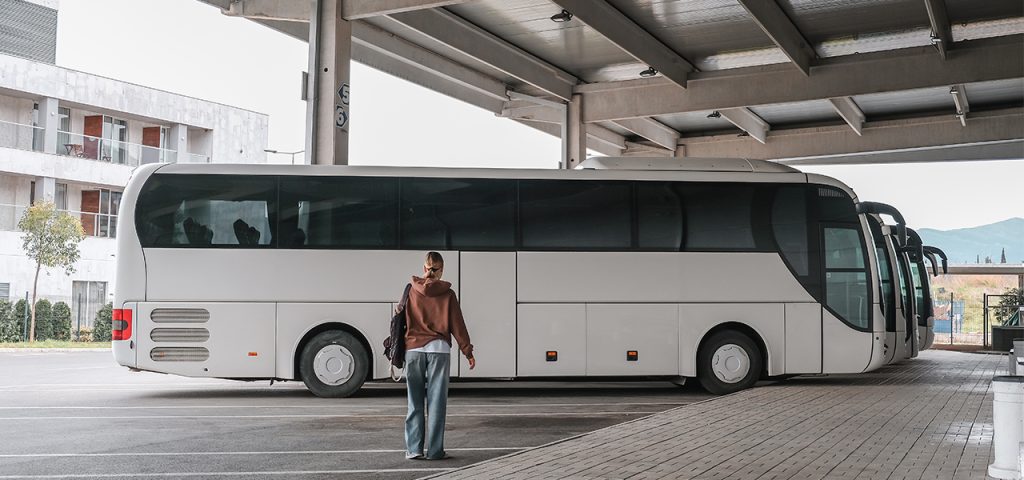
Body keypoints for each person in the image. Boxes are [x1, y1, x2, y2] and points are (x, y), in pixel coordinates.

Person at [403, 251, 475, 460]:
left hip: (413, 351)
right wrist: (467, 351)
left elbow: (401, 321)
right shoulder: (448, 294)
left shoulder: (411, 290)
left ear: (424, 268)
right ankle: (435, 451)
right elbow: (457, 324)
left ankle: (414, 449)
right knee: (436, 403)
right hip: (439, 351)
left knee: (414, 402)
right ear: (441, 270)